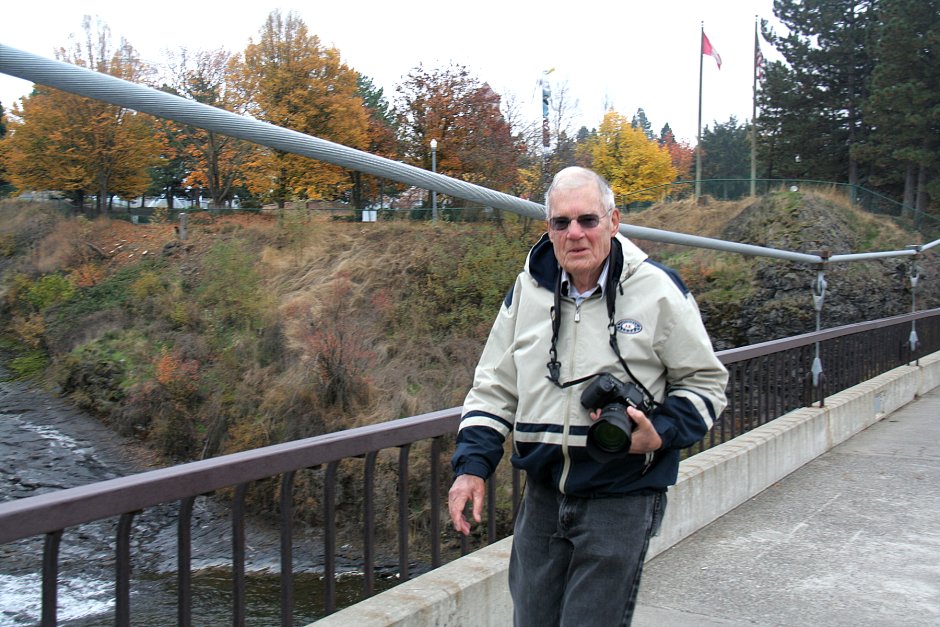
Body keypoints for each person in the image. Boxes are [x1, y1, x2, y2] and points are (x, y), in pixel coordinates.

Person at [448, 166, 728, 626]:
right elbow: (494, 386)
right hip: (541, 497)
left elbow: (704, 382)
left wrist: (659, 433)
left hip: (621, 495)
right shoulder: (528, 290)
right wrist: (471, 467)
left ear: (613, 222)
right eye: (562, 222)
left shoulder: (657, 290)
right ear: (548, 229)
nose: (575, 233)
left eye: (588, 220)